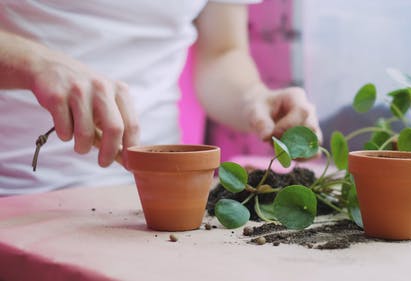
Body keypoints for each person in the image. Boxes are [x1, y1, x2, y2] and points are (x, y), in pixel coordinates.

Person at [0, 0, 322, 195]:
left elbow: (223, 52)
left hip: (145, 195)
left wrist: (254, 98)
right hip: (13, 193)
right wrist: (34, 62)